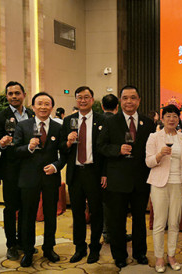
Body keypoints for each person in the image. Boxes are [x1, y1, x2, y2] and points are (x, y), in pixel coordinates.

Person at [98, 85, 156, 269]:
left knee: (140, 220)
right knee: (117, 221)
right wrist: (117, 150)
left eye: (133, 98)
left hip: (141, 180)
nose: (129, 101)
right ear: (120, 101)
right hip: (118, 179)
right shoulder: (110, 121)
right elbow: (100, 146)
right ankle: (119, 255)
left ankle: (140, 253)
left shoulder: (148, 123)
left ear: (139, 101)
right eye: (125, 98)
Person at [14, 92, 66, 267]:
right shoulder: (23, 126)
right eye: (39, 104)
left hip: (50, 178)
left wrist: (56, 166)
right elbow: (15, 150)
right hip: (29, 178)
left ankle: (49, 248)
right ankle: (28, 251)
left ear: (52, 107)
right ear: (33, 107)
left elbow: (64, 153)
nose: (43, 107)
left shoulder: (59, 127)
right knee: (28, 216)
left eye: (47, 104)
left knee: (51, 215)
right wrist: (28, 147)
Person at [145, 104, 182, 273]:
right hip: (159, 183)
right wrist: (160, 154)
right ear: (162, 118)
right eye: (168, 116)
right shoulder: (154, 137)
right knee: (159, 223)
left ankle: (171, 256)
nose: (171, 119)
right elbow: (149, 162)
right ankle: (159, 257)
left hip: (178, 183)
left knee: (174, 222)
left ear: (178, 118)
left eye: (174, 116)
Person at [60, 86, 106, 264]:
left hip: (94, 173)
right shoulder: (68, 121)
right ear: (76, 100)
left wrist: (104, 173)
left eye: (86, 97)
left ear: (93, 100)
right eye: (79, 98)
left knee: (96, 212)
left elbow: (104, 151)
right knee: (77, 213)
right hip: (75, 174)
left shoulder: (102, 120)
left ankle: (94, 247)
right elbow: (62, 149)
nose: (83, 100)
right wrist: (69, 142)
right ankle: (79, 247)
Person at [0, 81, 34, 260]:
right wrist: (0, 143)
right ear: (7, 96)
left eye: (17, 93)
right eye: (10, 94)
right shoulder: (1, 116)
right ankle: (11, 245)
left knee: (27, 207)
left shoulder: (32, 114)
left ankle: (24, 241)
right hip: (10, 169)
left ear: (24, 94)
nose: (14, 96)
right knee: (11, 208)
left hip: (30, 168)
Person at [100, 93, 119, 243]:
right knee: (110, 203)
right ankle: (109, 232)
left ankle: (107, 231)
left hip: (99, 169)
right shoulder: (116, 122)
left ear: (101, 106)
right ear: (117, 107)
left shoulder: (98, 120)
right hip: (110, 169)